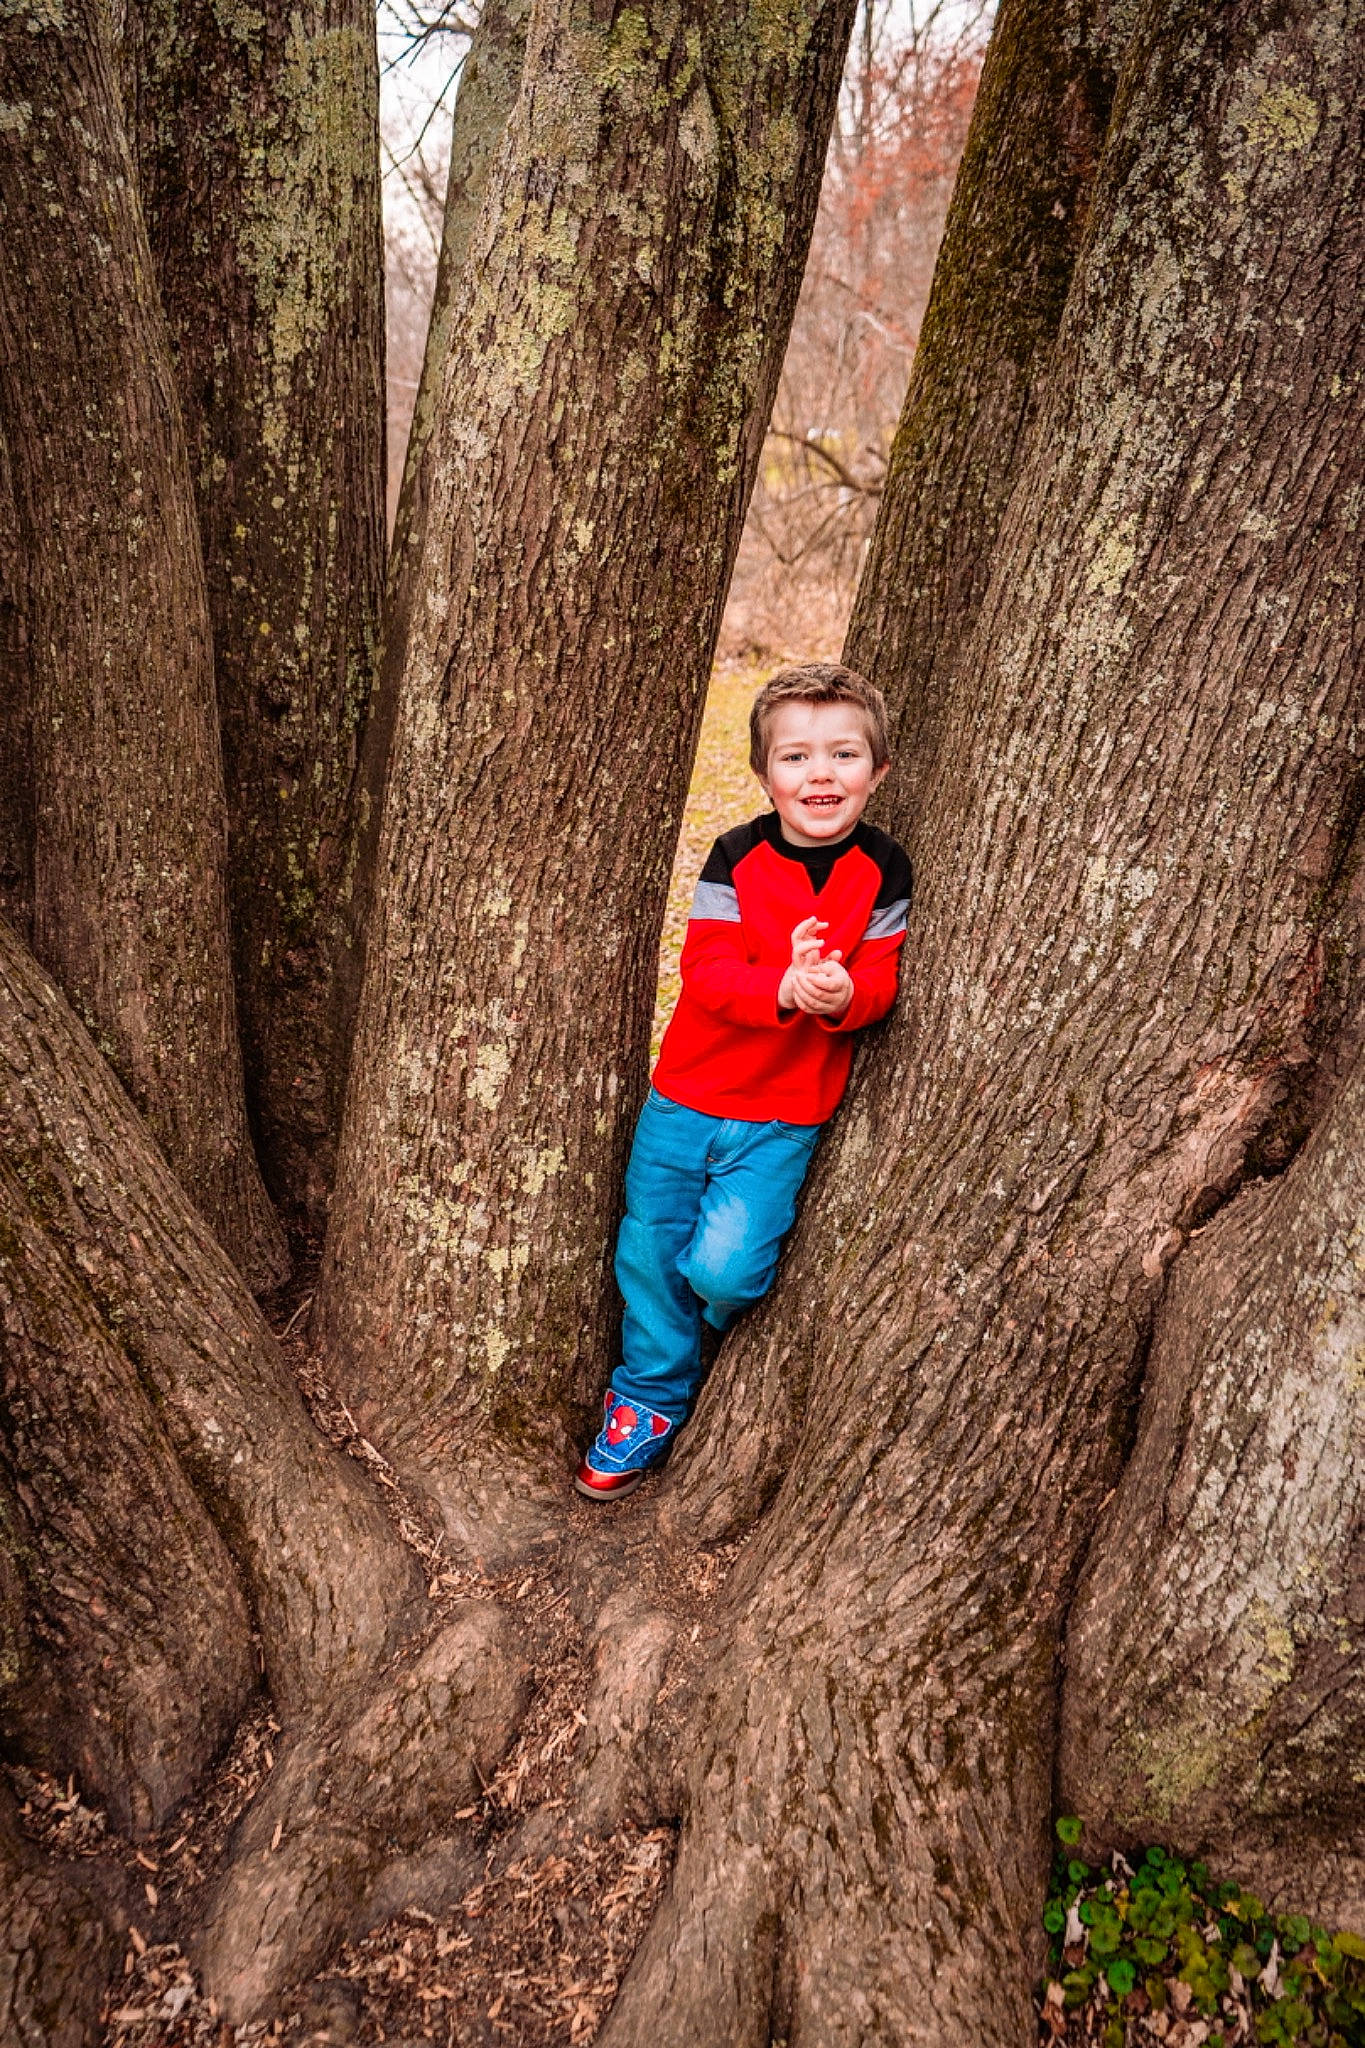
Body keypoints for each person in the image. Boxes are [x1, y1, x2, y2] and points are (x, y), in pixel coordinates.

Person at [575, 662, 912, 1499]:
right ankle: (647, 1398)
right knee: (649, 1251)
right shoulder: (736, 857)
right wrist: (783, 987)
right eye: (795, 758)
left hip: (782, 1116)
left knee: (723, 1270)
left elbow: (880, 980)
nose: (821, 774)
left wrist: (840, 996)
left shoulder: (884, 871)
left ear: (877, 770)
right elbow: (707, 970)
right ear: (765, 775)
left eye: (843, 755)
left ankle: (710, 1322)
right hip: (686, 1097)